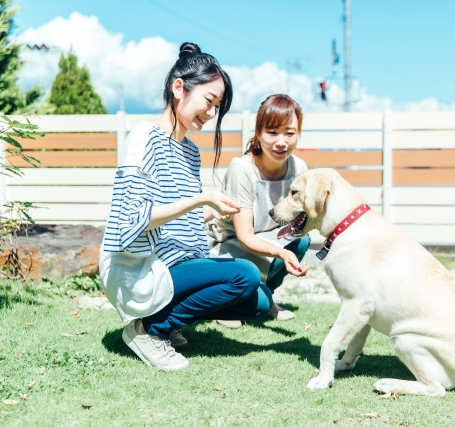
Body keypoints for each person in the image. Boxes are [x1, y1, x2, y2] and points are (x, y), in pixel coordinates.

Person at [99, 42, 273, 371]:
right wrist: (201, 198)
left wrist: (213, 210)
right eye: (209, 101)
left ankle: (167, 319)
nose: (211, 113)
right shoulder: (144, 137)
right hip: (141, 267)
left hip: (177, 261)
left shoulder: (191, 151)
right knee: (246, 274)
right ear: (179, 88)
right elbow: (134, 219)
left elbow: (180, 215)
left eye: (217, 106)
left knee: (261, 301)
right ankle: (149, 330)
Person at [207, 94, 310, 327]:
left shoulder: (299, 167)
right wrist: (282, 254)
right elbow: (244, 237)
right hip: (230, 246)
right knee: (285, 250)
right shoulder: (242, 169)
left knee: (301, 240)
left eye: (289, 133)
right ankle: (224, 304)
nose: (281, 142)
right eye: (272, 132)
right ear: (258, 133)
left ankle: (266, 295)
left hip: (270, 238)